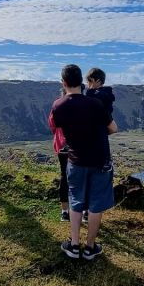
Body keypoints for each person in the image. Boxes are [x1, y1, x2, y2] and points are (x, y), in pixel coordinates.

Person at [50, 64, 117, 260]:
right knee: (96, 206)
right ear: (81, 81)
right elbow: (113, 128)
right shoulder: (95, 104)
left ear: (63, 82)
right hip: (100, 159)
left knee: (76, 201)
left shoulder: (58, 105)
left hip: (75, 159)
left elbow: (56, 127)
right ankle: (90, 247)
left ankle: (73, 245)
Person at [47, 87, 71, 221]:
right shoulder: (83, 104)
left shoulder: (57, 105)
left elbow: (52, 124)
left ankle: (65, 211)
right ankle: (84, 211)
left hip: (61, 143)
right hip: (79, 145)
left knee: (64, 176)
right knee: (82, 177)